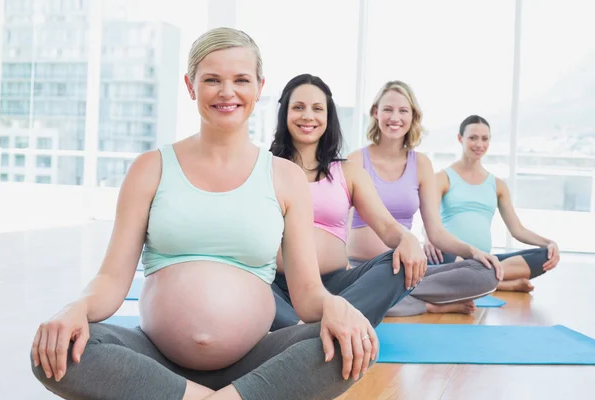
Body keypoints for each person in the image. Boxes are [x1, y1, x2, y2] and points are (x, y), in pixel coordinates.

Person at [30, 28, 380, 400]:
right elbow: (111, 280)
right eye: (212, 79)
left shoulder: (285, 177)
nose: (227, 92)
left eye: (241, 80)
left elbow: (308, 295)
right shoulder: (150, 168)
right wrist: (75, 308)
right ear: (190, 85)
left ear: (260, 86)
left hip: (255, 362)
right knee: (56, 349)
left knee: (355, 342)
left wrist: (336, 306)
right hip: (155, 360)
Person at [268, 73, 428, 331]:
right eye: (298, 107)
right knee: (244, 278)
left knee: (397, 265)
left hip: (336, 286)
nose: (308, 116)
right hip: (273, 283)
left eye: (317, 109)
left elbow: (387, 227)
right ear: (284, 114)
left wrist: (408, 239)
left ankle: (316, 328)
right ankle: (315, 330)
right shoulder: (265, 169)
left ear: (328, 117)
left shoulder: (348, 171)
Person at [346, 81, 502, 317]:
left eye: (403, 111)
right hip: (362, 269)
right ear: (376, 112)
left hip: (409, 271)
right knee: (351, 292)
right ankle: (426, 305)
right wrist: (342, 267)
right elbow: (341, 223)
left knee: (486, 274)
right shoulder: (356, 160)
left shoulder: (421, 165)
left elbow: (436, 232)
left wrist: (473, 252)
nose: (394, 117)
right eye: (388, 109)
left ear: (413, 116)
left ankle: (394, 299)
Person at [423, 114, 561, 292]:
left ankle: (482, 278)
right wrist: (429, 238)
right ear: (460, 138)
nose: (479, 144)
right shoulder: (442, 178)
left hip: (486, 260)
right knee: (436, 254)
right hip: (452, 257)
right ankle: (501, 284)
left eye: (484, 139)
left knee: (543, 256)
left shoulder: (498, 185)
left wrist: (549, 243)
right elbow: (429, 220)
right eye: (472, 138)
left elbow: (517, 230)